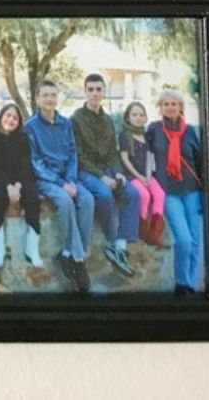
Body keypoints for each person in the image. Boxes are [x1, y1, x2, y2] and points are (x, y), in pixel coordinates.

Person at [25, 79, 95, 293]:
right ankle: (79, 259)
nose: (49, 99)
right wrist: (61, 183)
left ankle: (67, 254)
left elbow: (73, 153)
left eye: (53, 95)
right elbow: (35, 162)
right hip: (46, 180)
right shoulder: (30, 127)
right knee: (65, 201)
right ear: (37, 98)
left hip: (67, 178)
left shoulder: (66, 123)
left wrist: (71, 180)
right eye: (45, 95)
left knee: (87, 200)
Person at [71, 72, 141, 276]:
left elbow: (112, 151)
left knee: (132, 194)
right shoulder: (76, 119)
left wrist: (118, 173)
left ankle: (120, 248)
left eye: (98, 89)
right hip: (86, 171)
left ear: (104, 92)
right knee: (104, 194)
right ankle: (111, 242)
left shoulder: (109, 120)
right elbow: (78, 155)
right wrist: (102, 176)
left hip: (109, 168)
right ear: (85, 92)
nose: (94, 93)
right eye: (90, 90)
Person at [146, 90, 204, 296]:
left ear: (180, 107)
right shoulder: (153, 129)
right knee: (184, 239)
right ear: (160, 108)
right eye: (166, 104)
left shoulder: (190, 131)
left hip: (192, 190)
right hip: (168, 191)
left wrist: (206, 191)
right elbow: (142, 155)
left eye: (174, 103)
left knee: (196, 239)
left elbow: (199, 160)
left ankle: (189, 283)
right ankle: (181, 282)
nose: (170, 107)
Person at [0, 100, 44, 273]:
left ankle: (32, 248)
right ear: (1, 117)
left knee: (32, 198)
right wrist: (8, 186)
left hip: (22, 179)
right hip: (0, 179)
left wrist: (17, 185)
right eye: (8, 115)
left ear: (19, 122)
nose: (11, 120)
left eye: (15, 118)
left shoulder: (23, 139)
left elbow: (25, 165)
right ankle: (0, 248)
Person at [119, 98, 166, 246]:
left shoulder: (146, 136)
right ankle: (143, 230)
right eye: (134, 115)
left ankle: (155, 233)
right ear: (128, 117)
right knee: (144, 195)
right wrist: (139, 177)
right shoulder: (124, 136)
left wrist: (147, 177)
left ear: (145, 117)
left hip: (147, 174)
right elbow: (125, 159)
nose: (138, 118)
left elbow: (149, 157)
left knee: (159, 194)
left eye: (141, 115)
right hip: (132, 175)